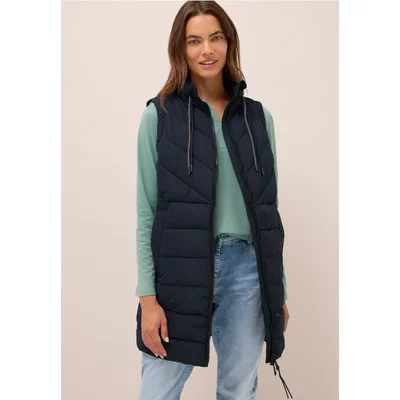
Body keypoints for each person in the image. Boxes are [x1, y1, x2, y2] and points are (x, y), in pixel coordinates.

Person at [135, 1, 292, 399]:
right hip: (180, 270)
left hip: (247, 272)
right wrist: (148, 297)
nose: (207, 50)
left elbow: (268, 214)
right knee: (158, 390)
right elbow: (147, 212)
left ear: (229, 42)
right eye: (194, 40)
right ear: (180, 48)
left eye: (215, 37)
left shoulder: (258, 118)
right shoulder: (160, 115)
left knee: (238, 391)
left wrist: (279, 292)